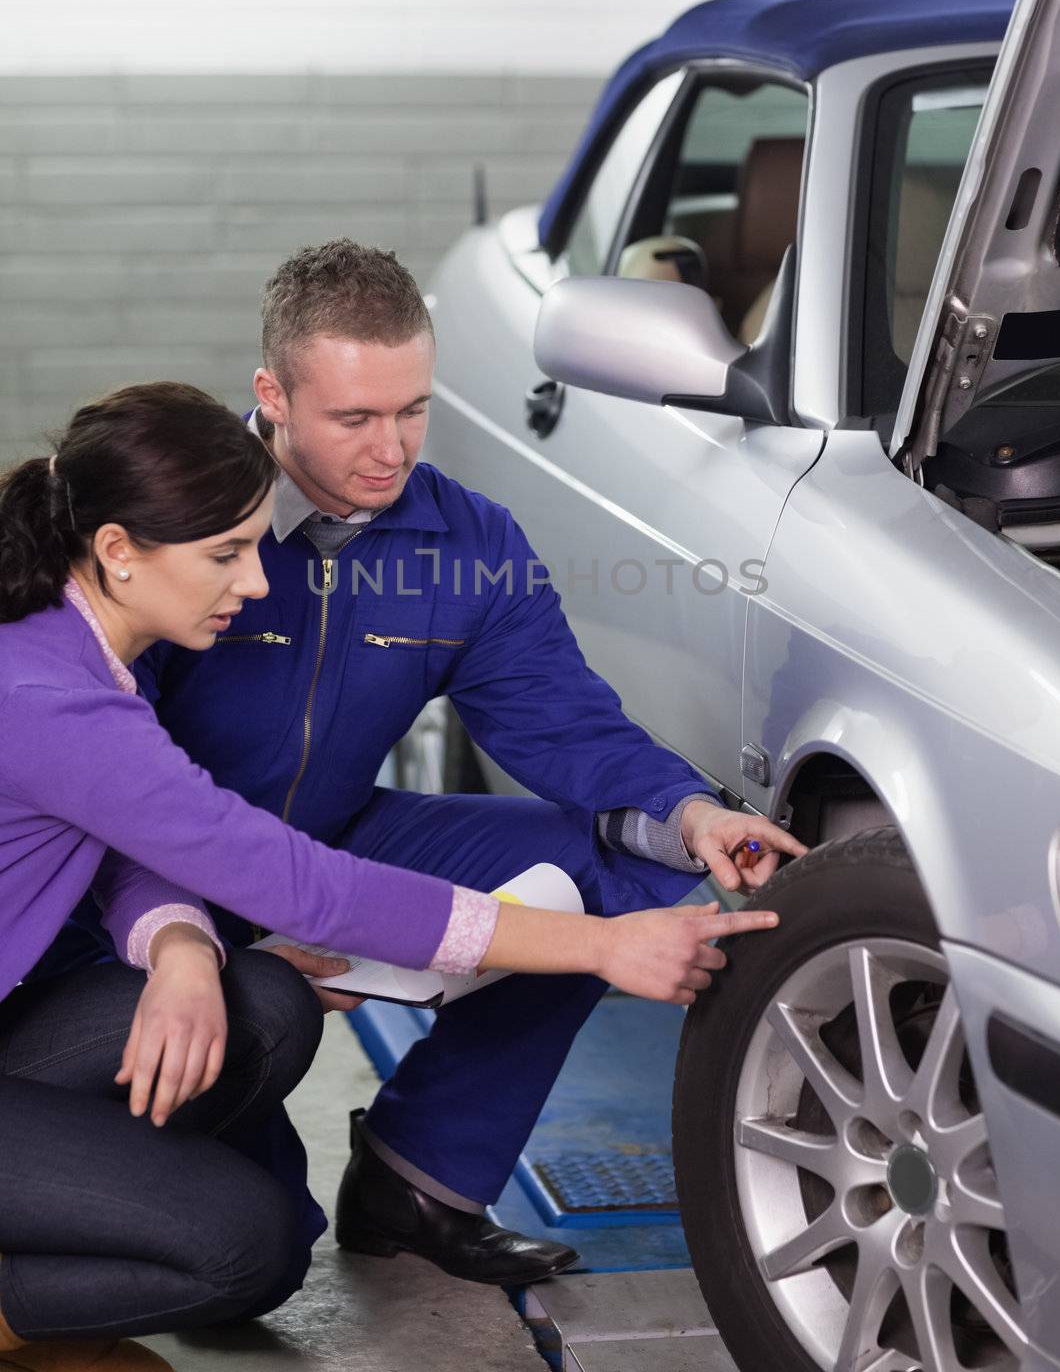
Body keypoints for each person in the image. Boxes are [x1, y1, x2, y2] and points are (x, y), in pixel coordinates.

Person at [0, 382, 777, 1368]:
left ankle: (107, 1185)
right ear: (118, 551)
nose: (252, 582)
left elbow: (152, 848)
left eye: (254, 543)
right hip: (51, 989)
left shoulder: (69, 649)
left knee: (267, 1014)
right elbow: (310, 888)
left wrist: (185, 946)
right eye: (226, 555)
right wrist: (602, 946)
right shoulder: (53, 696)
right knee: (238, 1245)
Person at [124, 242, 808, 1288]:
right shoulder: (181, 520)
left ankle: (419, 1179)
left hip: (343, 832)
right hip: (169, 866)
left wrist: (689, 814)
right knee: (249, 1248)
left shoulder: (463, 541)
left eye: (411, 409)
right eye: (354, 417)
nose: (390, 448)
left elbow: (562, 721)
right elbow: (103, 772)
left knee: (628, 872)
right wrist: (247, 924)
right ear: (271, 394)